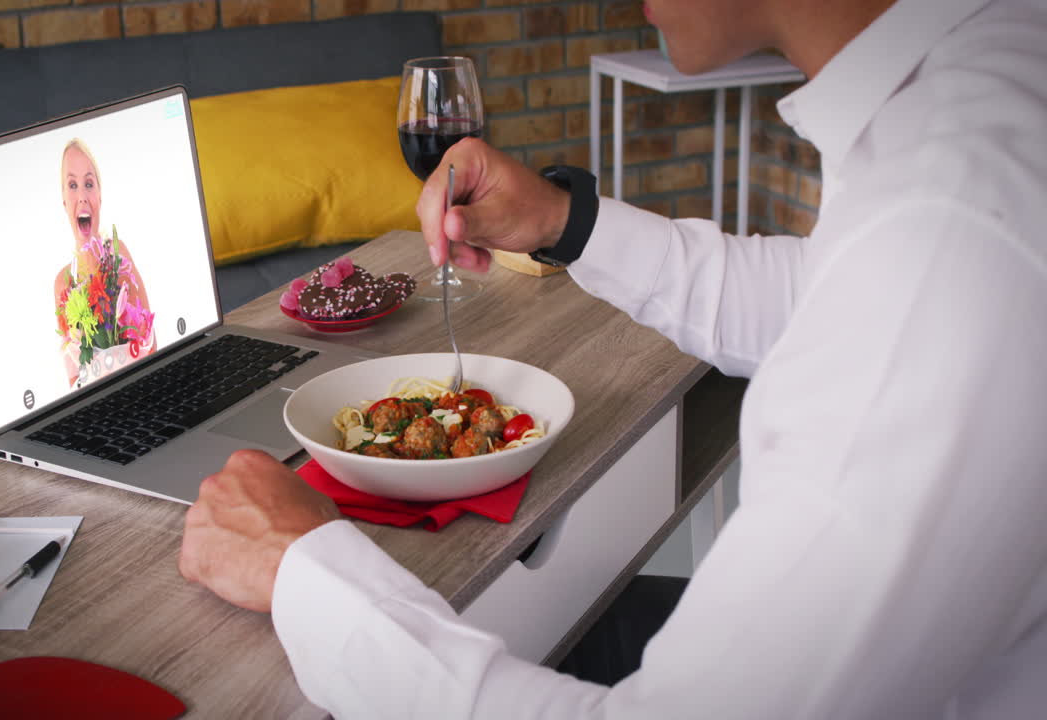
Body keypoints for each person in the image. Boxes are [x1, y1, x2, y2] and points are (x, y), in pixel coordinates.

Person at [178, 0, 1047, 716]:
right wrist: (566, 222)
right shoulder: (985, 92)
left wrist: (307, 571)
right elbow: (825, 301)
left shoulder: (947, 228)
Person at [53, 138, 155, 387]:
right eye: (73, 185)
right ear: (65, 201)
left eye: (89, 184)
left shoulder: (118, 257)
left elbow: (150, 345)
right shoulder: (63, 283)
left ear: (100, 195)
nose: (82, 196)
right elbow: (74, 379)